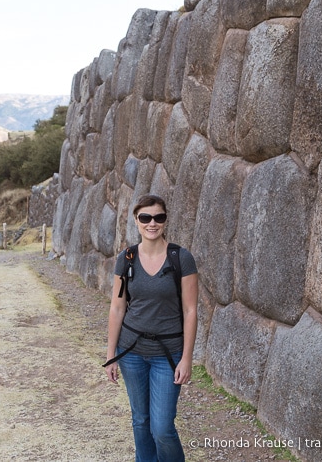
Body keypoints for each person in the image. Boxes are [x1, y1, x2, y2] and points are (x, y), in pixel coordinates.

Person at [104, 194, 199, 461]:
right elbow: (117, 307)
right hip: (131, 352)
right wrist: (111, 354)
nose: (152, 223)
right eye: (145, 218)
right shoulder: (127, 258)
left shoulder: (181, 258)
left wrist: (187, 358)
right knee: (140, 421)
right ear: (137, 221)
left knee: (162, 428)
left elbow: (191, 311)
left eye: (158, 217)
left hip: (168, 355)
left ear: (165, 221)